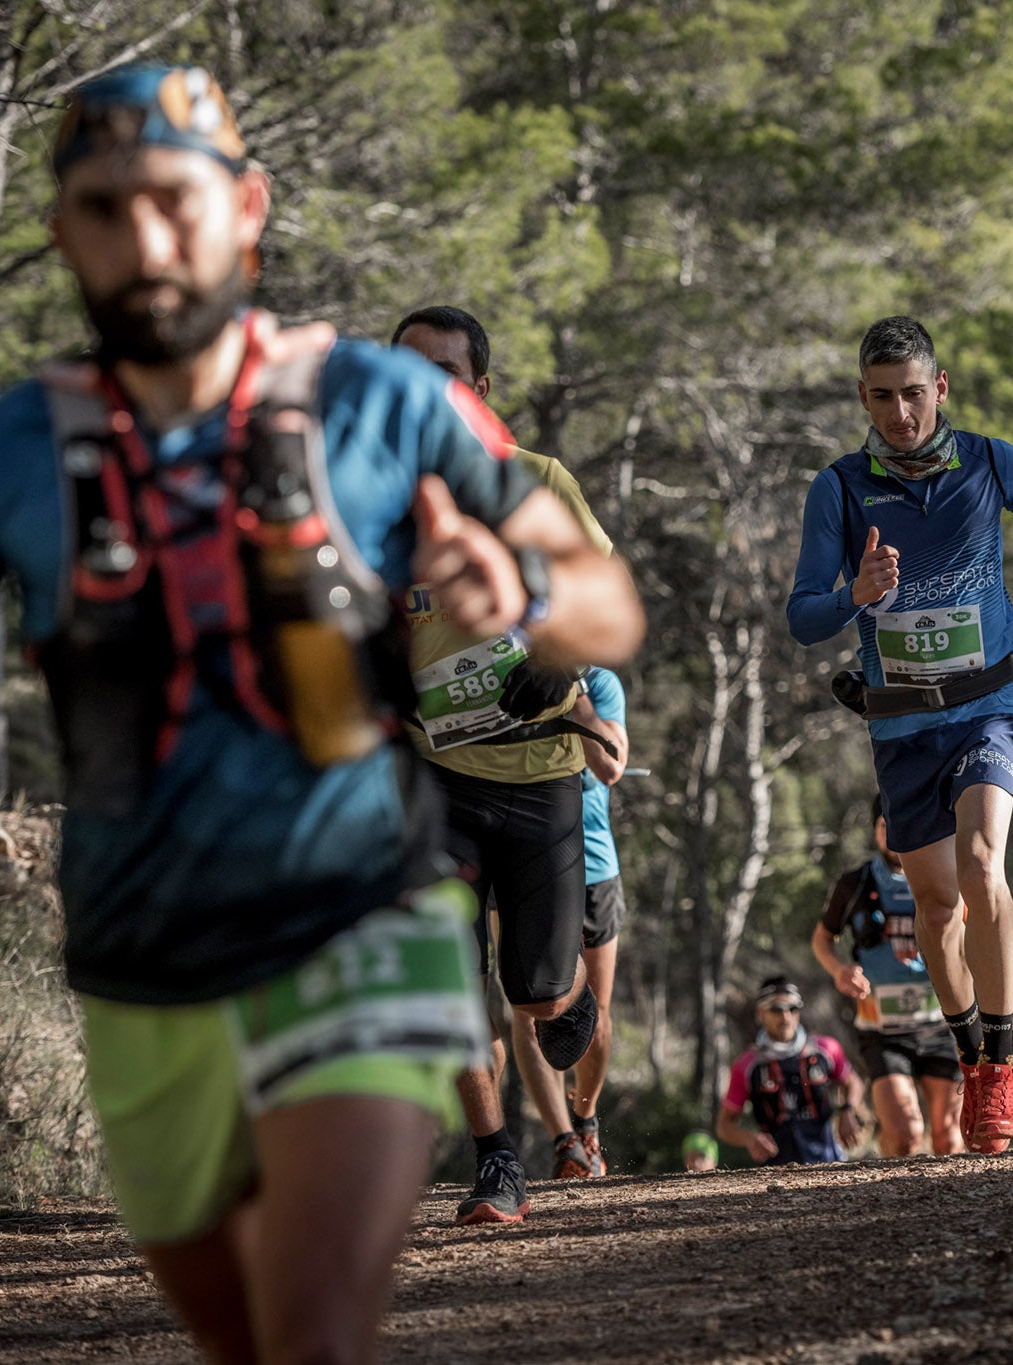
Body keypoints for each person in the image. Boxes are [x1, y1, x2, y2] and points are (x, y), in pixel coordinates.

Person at [0, 66, 642, 1365]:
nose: (144, 238)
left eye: (174, 201)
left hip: (364, 902)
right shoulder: (7, 452)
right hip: (144, 939)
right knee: (238, 1323)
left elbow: (601, 602)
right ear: (63, 231)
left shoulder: (387, 405)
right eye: (104, 207)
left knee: (312, 1311)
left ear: (246, 208)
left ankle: (491, 1153)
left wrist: (533, 595)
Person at [786, 315, 1013, 1153]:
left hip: (985, 707)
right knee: (936, 906)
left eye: (913, 393)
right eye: (882, 397)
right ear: (863, 397)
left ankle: (1000, 1070)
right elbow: (804, 617)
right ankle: (968, 1049)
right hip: (902, 728)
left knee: (986, 864)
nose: (900, 413)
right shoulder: (840, 488)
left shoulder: (990, 461)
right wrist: (856, 591)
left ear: (939, 387)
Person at [390, 306, 631, 1215]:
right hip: (432, 779)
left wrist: (560, 658)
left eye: (445, 373)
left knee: (536, 991)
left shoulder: (538, 483)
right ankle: (496, 1158)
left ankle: (561, 1000)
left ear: (480, 391)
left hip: (539, 775)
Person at [813, 793, 965, 1157]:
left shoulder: (944, 877)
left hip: (941, 1028)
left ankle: (953, 1212)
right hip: (883, 1033)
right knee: (906, 1135)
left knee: (949, 1140)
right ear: (875, 830)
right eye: (885, 827)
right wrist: (839, 970)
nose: (895, 836)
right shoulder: (855, 883)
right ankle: (891, 1202)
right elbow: (822, 938)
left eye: (903, 826)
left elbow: (973, 937)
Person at [566, 666, 631, 1175]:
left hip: (593, 866)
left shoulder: (599, 683)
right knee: (532, 1006)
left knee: (597, 1009)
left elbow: (611, 767)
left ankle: (585, 1123)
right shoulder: (500, 667)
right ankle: (560, 1138)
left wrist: (575, 694)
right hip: (524, 862)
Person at [715, 977, 866, 1166]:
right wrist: (749, 1138)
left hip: (829, 1161)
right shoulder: (747, 1065)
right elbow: (724, 1125)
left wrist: (848, 1111)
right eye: (776, 1009)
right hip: (775, 1171)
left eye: (792, 1008)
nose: (785, 1016)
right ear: (760, 1013)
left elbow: (853, 1082)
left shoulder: (825, 1049)